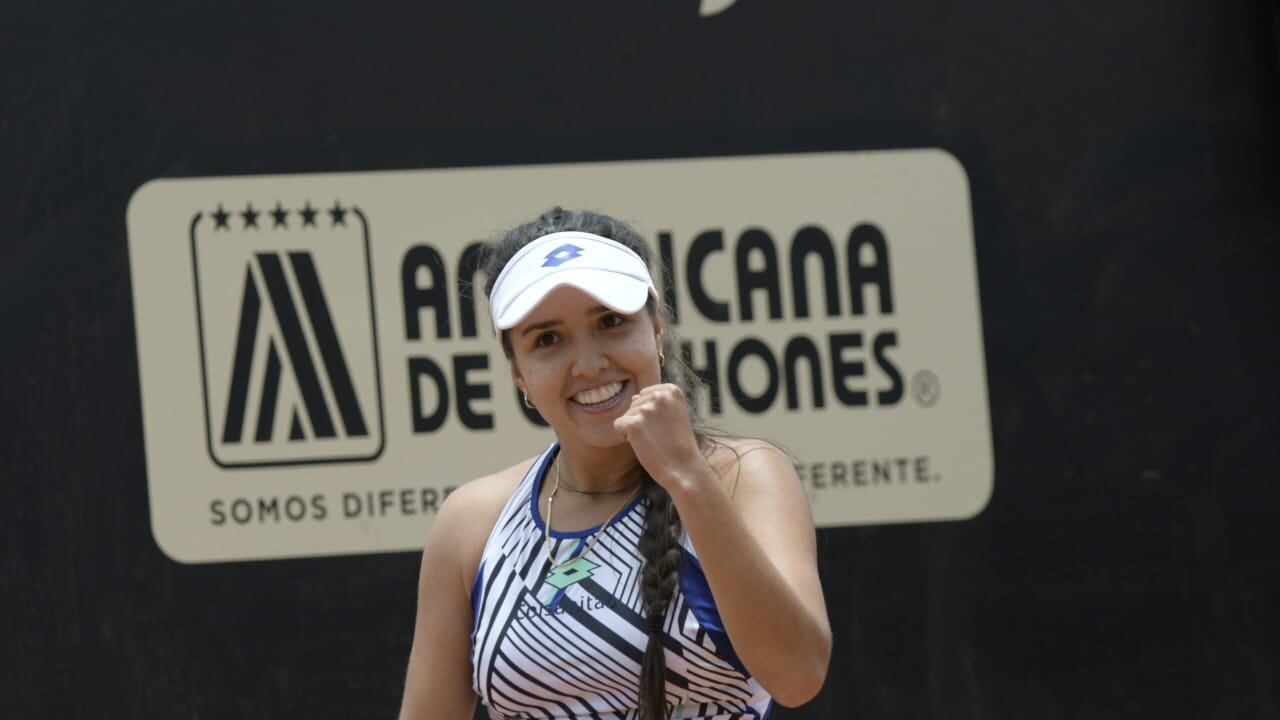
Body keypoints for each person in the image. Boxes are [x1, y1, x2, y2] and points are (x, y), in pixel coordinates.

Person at [398, 208, 831, 719]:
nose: (589, 363)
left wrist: (687, 478)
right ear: (518, 374)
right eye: (548, 339)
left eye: (610, 322)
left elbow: (798, 676)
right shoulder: (472, 522)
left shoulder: (743, 475)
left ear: (657, 331)